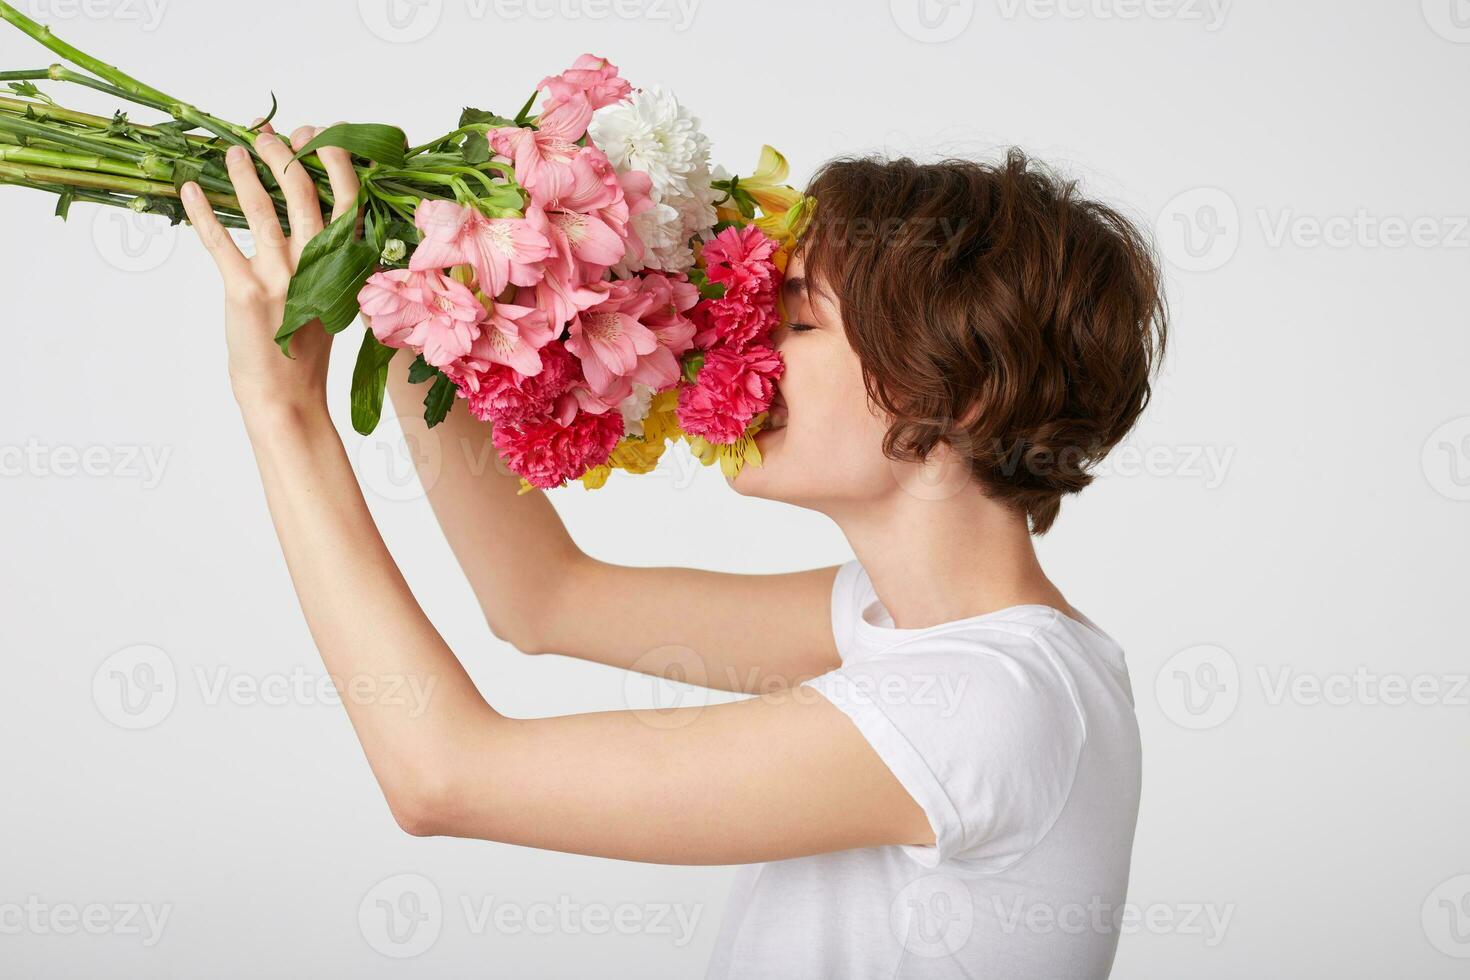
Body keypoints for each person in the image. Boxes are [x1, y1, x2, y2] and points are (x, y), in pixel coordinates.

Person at [178, 120, 1167, 979]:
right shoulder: (937, 632)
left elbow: (443, 775)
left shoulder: (990, 704)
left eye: (801, 321)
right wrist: (418, 296)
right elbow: (544, 600)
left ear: (959, 389)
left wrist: (281, 406)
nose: (745, 346)